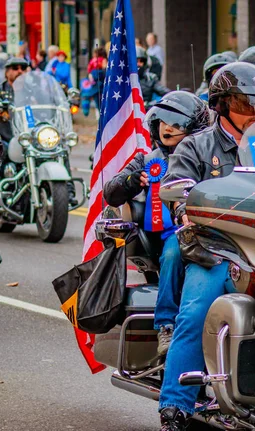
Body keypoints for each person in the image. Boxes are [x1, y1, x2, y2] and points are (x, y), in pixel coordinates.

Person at [157, 62, 255, 431]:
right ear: (221, 104)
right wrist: (184, 206)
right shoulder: (197, 145)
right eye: (244, 103)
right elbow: (177, 186)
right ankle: (175, 406)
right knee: (195, 314)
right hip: (215, 251)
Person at [104, 92, 210, 356]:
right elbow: (110, 192)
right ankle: (165, 325)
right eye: (164, 121)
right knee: (175, 252)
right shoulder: (148, 159)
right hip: (175, 233)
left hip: (214, 228)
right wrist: (131, 182)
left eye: (177, 123)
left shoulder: (207, 154)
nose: (168, 127)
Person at [0, 57, 29, 144]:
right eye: (15, 68)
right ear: (7, 72)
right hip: (3, 139)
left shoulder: (33, 91)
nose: (20, 71)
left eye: (23, 68)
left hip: (28, 137)